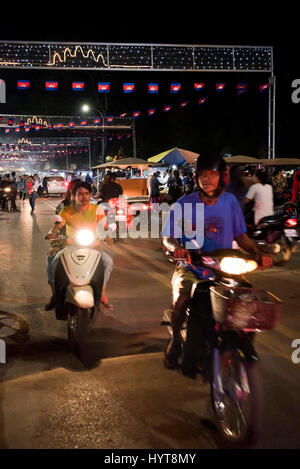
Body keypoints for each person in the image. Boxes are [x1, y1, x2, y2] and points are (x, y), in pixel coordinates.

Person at [162, 152, 259, 378]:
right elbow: (167, 237)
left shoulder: (230, 202)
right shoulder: (183, 204)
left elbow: (241, 236)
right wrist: (176, 247)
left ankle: (236, 346)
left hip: (224, 268)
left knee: (249, 304)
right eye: (202, 174)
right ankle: (176, 339)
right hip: (191, 268)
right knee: (182, 301)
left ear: (222, 177)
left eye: (212, 174)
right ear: (196, 178)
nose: (207, 179)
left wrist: (258, 252)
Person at [45, 181, 114, 312]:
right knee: (52, 262)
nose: (84, 197)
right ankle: (55, 294)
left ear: (90, 195)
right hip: (70, 246)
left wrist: (108, 236)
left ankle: (102, 294)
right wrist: (52, 233)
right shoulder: (66, 210)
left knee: (108, 262)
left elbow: (104, 227)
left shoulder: (97, 210)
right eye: (80, 194)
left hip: (93, 245)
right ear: (74, 196)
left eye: (87, 194)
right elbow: (57, 226)